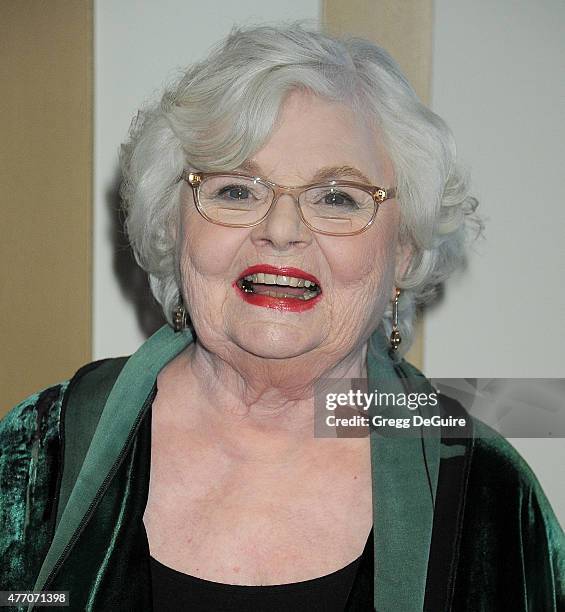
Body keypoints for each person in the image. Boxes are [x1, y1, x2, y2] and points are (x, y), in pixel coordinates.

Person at [1, 23, 563, 612]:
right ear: (174, 226)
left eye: (338, 197)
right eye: (237, 190)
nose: (281, 229)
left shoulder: (487, 492)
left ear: (401, 253)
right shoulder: (38, 451)